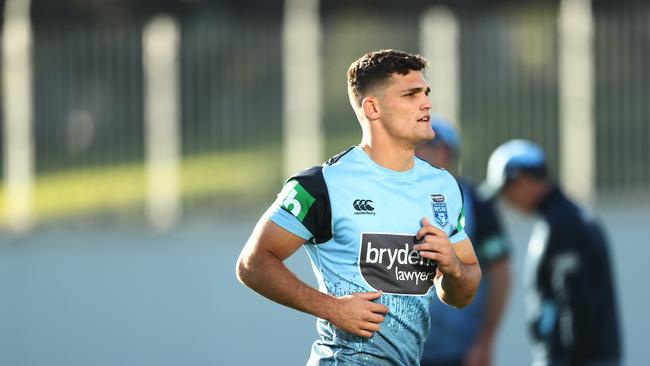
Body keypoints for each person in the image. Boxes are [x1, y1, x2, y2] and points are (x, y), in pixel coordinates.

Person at [235, 49, 481, 365]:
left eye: (425, 92)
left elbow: (462, 294)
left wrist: (452, 267)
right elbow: (253, 264)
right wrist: (332, 308)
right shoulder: (320, 184)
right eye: (410, 94)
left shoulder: (443, 187)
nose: (426, 103)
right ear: (372, 107)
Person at [482, 140, 621, 366]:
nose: (508, 202)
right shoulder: (568, 218)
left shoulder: (563, 226)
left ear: (523, 180)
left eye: (506, 191)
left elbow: (576, 305)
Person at [416, 119, 511, 366]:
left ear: (444, 151)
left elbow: (500, 274)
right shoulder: (396, 197)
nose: (411, 152)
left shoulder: (477, 203)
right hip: (404, 349)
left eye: (420, 145)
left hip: (459, 351)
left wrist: (485, 341)